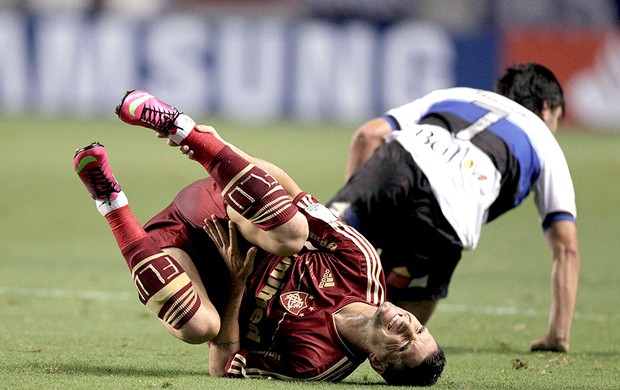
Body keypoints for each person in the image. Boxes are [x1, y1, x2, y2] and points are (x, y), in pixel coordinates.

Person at [72, 90, 446, 385]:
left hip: (184, 263)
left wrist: (236, 285)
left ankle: (109, 199)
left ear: (379, 364)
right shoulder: (363, 265)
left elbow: (223, 368)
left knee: (199, 327)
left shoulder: (315, 366)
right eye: (420, 329)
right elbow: (289, 190)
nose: (407, 326)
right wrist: (220, 149)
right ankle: (182, 127)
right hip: (224, 207)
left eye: (405, 345)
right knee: (293, 234)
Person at [327, 63, 581, 353]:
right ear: (547, 109)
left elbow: (368, 136)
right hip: (443, 215)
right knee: (396, 340)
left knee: (309, 252)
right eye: (558, 119)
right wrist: (557, 336)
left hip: (391, 166)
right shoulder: (545, 141)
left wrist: (354, 228)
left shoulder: (457, 95)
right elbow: (566, 248)